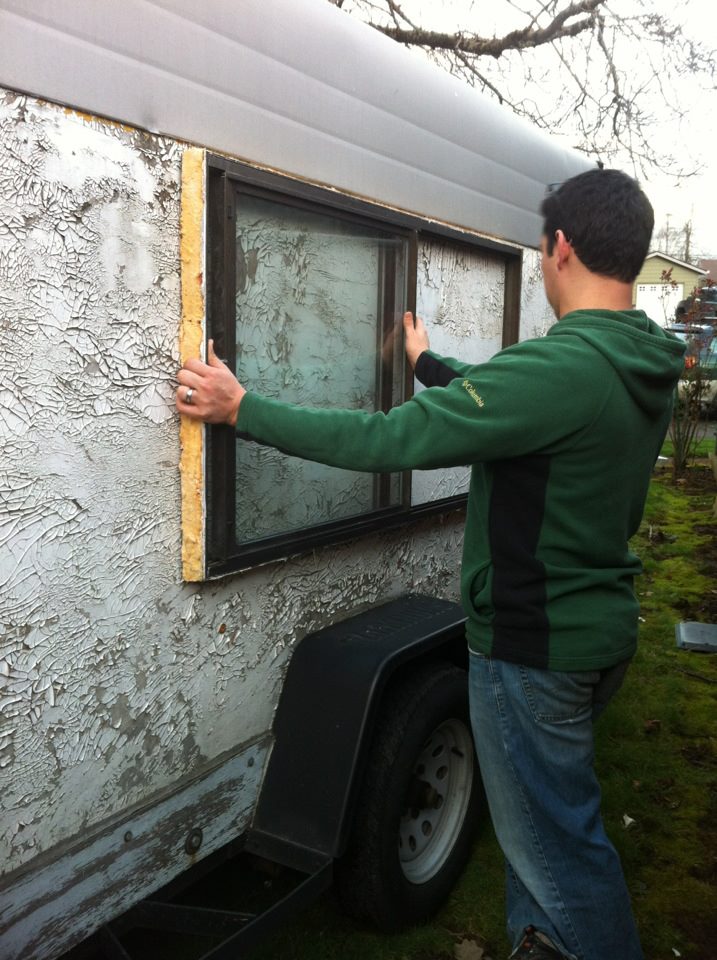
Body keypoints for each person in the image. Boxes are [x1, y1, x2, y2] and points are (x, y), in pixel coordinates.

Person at [176, 168, 685, 960]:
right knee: (545, 846)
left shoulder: (563, 369)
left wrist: (244, 409)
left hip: (533, 653)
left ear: (559, 248)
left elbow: (389, 440)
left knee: (561, 858)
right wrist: (427, 364)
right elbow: (514, 405)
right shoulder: (640, 359)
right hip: (594, 634)